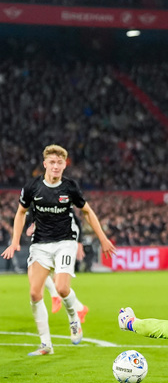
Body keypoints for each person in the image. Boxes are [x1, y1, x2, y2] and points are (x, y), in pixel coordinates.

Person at [1, 145, 116, 356]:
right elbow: (20, 212)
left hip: (65, 242)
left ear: (64, 165)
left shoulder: (70, 187)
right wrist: (15, 240)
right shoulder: (32, 187)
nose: (55, 166)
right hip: (40, 244)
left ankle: (74, 318)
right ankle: (46, 344)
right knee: (34, 293)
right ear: (45, 164)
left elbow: (87, 212)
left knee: (62, 288)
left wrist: (103, 238)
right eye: (52, 162)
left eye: (59, 163)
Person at [25, 212, 89, 321]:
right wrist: (31, 226)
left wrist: (79, 242)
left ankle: (56, 296)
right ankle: (79, 308)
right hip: (53, 241)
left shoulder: (63, 205)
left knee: (44, 272)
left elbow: (77, 221)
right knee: (51, 277)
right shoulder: (37, 206)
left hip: (66, 243)